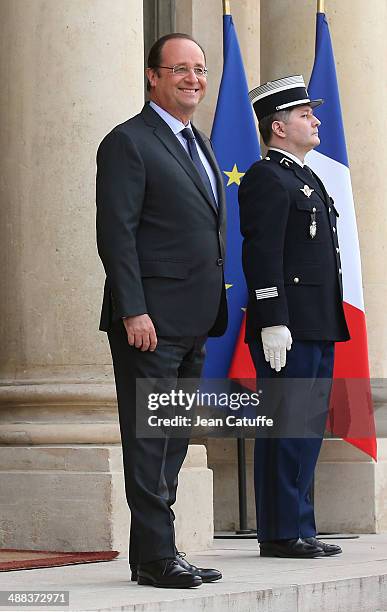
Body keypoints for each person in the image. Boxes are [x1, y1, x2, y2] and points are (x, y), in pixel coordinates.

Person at [96, 33, 227, 588]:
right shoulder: (129, 142)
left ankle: (159, 551)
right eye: (180, 69)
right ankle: (155, 558)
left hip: (194, 320)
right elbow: (116, 235)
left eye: (199, 69)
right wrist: (133, 310)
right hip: (148, 323)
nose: (193, 78)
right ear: (153, 76)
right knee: (149, 441)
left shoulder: (197, 142)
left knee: (172, 440)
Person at [238, 75, 349, 558]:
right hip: (289, 326)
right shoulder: (268, 177)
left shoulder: (306, 177)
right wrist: (272, 318)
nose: (315, 119)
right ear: (278, 128)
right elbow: (262, 254)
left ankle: (299, 525)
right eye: (305, 114)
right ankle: (281, 532)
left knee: (305, 430)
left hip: (316, 322)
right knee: (285, 429)